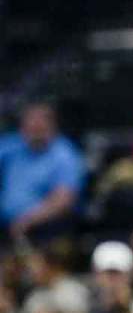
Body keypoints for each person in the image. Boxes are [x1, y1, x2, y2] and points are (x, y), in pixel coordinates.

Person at [0, 102, 86, 241]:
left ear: (52, 126)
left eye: (40, 124)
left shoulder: (64, 154)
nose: (34, 128)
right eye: (30, 123)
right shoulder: (12, 146)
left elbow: (64, 200)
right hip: (5, 224)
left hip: (44, 228)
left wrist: (27, 221)